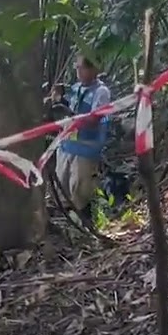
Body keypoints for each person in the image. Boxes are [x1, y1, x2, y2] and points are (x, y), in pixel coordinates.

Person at [56, 54, 113, 226]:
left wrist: (70, 114)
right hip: (67, 146)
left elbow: (96, 118)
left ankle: (84, 226)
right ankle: (66, 223)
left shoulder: (101, 92)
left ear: (94, 69)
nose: (78, 71)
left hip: (86, 148)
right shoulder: (75, 88)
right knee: (62, 188)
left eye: (82, 68)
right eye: (77, 67)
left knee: (80, 190)